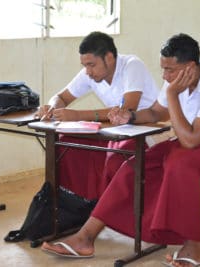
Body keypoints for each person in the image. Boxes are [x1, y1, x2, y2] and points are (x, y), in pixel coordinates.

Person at [41, 33, 200, 267]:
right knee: (134, 164)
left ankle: (195, 246)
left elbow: (191, 140)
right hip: (189, 142)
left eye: (170, 70)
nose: (164, 76)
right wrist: (129, 116)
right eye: (163, 69)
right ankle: (85, 237)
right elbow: (155, 113)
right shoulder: (176, 78)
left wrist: (172, 94)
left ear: (190, 67)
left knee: (179, 164)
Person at [37, 31, 158, 200]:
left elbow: (126, 111)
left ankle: (108, 211)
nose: (87, 71)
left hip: (145, 132)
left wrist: (77, 115)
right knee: (64, 141)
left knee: (117, 154)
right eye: (84, 65)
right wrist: (52, 108)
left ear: (109, 57)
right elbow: (61, 97)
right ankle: (79, 205)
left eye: (91, 65)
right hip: (115, 132)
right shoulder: (91, 74)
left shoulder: (132, 65)